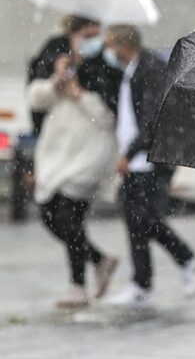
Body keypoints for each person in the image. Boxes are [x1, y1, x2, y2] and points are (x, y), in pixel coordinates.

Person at [103, 25, 195, 306]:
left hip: (149, 159)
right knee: (134, 219)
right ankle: (141, 285)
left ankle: (189, 258)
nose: (106, 50)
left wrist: (129, 153)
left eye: (109, 44)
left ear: (123, 44)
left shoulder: (150, 68)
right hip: (137, 161)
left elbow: (151, 119)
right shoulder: (131, 70)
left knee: (147, 219)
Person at [27, 37, 120, 308]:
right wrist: (57, 80)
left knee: (69, 218)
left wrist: (78, 94)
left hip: (88, 158)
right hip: (57, 158)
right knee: (49, 215)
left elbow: (108, 117)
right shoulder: (59, 67)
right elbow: (36, 100)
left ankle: (77, 286)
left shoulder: (104, 73)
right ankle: (99, 260)